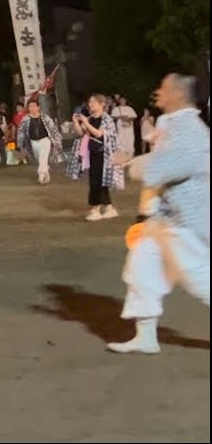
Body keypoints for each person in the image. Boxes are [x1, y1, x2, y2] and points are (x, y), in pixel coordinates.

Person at [106, 74, 208, 354]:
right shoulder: (173, 124)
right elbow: (160, 160)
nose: (158, 92)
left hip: (187, 220)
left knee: (201, 280)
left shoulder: (190, 130)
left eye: (163, 88)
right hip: (165, 218)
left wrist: (130, 163)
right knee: (142, 268)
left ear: (177, 94)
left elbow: (161, 169)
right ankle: (146, 337)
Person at [68, 94, 125, 221]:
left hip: (103, 154)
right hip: (91, 153)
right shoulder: (90, 118)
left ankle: (95, 209)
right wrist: (76, 122)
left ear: (102, 104)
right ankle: (109, 208)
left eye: (94, 102)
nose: (91, 104)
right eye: (90, 102)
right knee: (99, 181)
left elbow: (99, 134)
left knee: (96, 181)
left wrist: (86, 123)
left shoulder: (106, 119)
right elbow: (80, 133)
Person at [17, 101, 62, 185]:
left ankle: (41, 177)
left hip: (45, 141)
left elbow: (53, 129)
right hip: (33, 142)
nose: (32, 108)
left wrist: (57, 141)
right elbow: (21, 132)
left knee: (43, 158)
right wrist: (20, 144)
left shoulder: (45, 117)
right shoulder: (25, 119)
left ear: (38, 107)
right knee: (40, 160)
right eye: (30, 106)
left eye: (34, 106)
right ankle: (46, 174)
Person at [112, 95, 138, 159]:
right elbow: (113, 116)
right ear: (119, 101)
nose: (122, 101)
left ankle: (130, 156)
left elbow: (134, 117)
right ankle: (122, 156)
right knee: (121, 140)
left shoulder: (130, 108)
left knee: (130, 141)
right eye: (121, 100)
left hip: (129, 128)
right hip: (121, 128)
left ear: (125, 100)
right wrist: (121, 117)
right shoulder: (116, 108)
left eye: (123, 100)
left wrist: (128, 119)